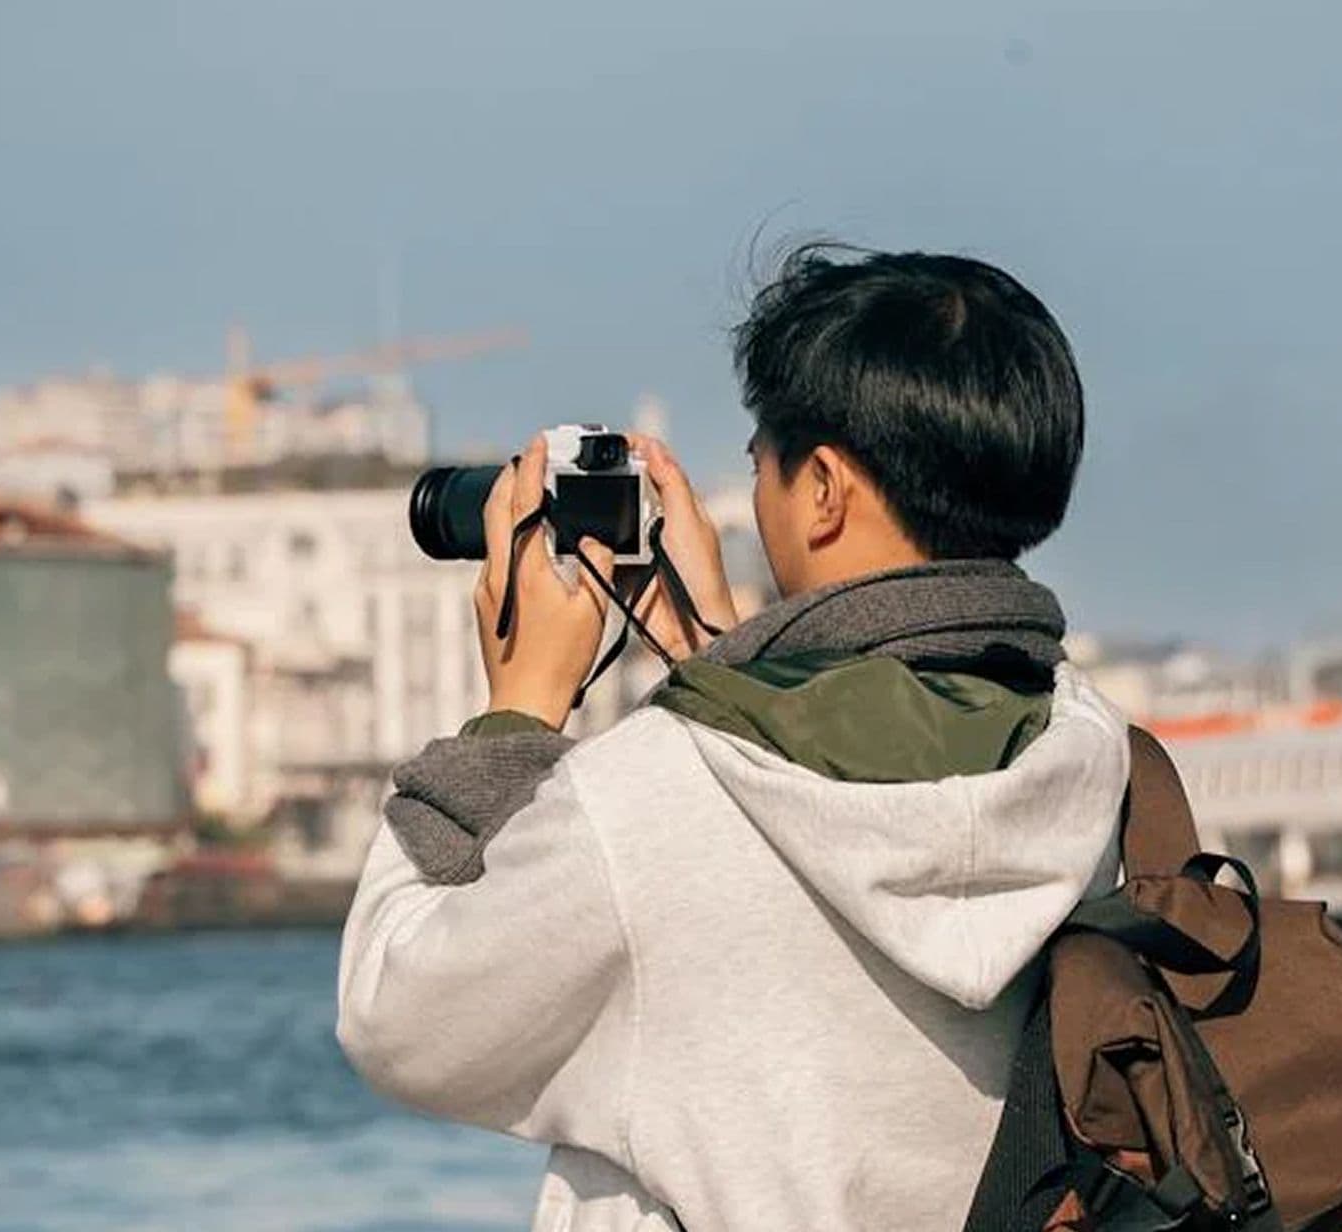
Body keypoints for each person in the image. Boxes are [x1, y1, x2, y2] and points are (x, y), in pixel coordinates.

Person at [338, 245, 1128, 1231]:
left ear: (826, 489)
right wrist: (727, 661)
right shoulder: (1094, 761)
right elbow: (832, 787)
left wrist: (520, 707)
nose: (753, 495)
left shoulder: (655, 796)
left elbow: (402, 1020)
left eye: (761, 462)